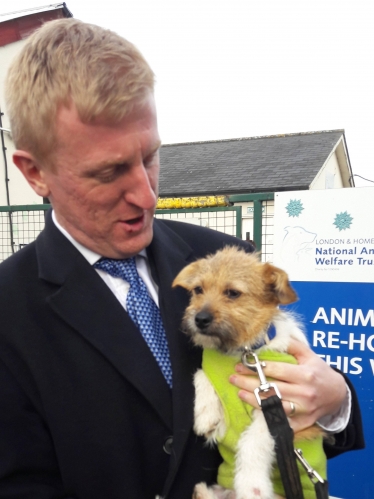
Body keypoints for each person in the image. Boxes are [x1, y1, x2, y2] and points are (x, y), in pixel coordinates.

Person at [0, 18, 364, 499]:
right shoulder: (10, 309)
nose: (148, 196)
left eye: (150, 156)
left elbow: (307, 434)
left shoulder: (214, 256)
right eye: (109, 172)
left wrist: (334, 400)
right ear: (34, 173)